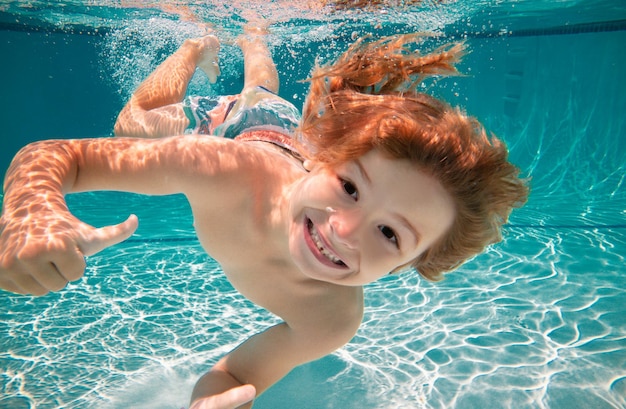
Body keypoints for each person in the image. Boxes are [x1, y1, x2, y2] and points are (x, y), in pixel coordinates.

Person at [0, 22, 528, 409]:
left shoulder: (332, 318)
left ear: (414, 262)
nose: (341, 232)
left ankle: (256, 39)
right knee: (131, 123)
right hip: (230, 129)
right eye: (348, 187)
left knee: (265, 95)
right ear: (324, 157)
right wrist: (32, 212)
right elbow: (51, 154)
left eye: (390, 233)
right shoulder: (218, 168)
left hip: (279, 131)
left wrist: (212, 402)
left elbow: (233, 373)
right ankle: (196, 45)